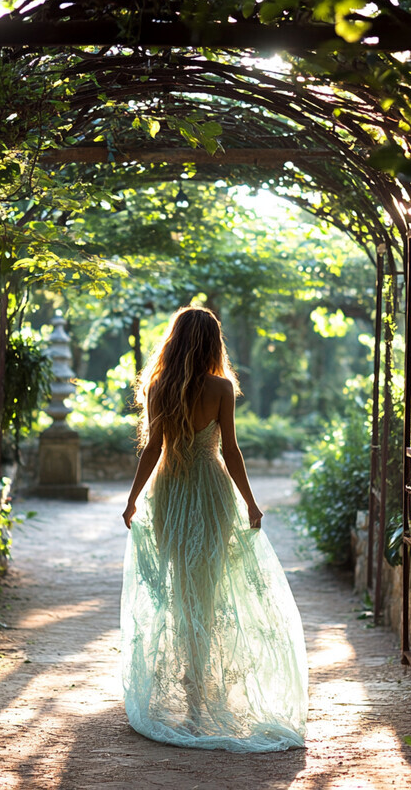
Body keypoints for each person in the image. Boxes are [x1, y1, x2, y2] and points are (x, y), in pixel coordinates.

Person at [120, 305, 308, 752]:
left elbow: (151, 450)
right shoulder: (221, 388)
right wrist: (251, 503)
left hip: (170, 494)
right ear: (212, 343)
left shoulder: (158, 386)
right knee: (207, 593)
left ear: (176, 339)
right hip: (211, 493)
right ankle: (199, 695)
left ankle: (192, 693)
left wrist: (132, 498)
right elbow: (233, 452)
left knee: (181, 589)